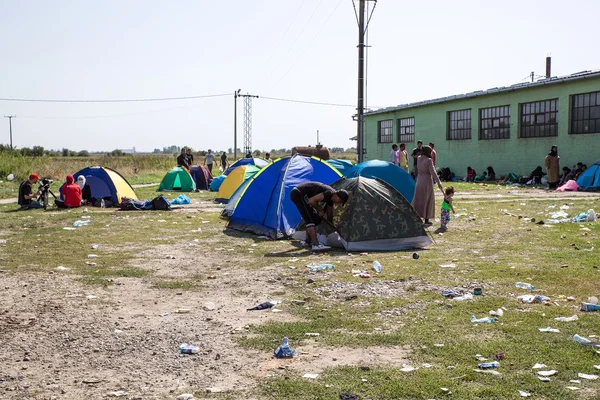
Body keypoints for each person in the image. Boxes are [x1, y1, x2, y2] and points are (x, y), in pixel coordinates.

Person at [290, 182, 349, 251]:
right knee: (309, 219)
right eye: (341, 201)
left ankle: (307, 241)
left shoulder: (331, 199)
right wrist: (320, 209)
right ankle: (315, 244)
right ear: (338, 196)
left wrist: (331, 226)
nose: (339, 203)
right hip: (298, 193)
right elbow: (311, 201)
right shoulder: (329, 193)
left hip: (301, 195)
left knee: (315, 219)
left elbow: (329, 213)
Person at [411, 145, 444, 226]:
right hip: (426, 182)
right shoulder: (429, 160)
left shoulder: (418, 159)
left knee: (419, 200)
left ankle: (417, 217)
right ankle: (426, 219)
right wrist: (439, 182)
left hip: (419, 181)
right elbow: (433, 172)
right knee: (427, 200)